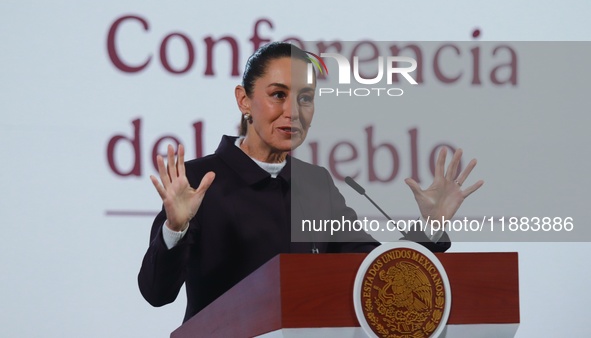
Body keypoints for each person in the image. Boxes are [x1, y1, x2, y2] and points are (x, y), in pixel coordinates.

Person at [138, 42, 483, 323]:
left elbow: (374, 273)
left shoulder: (315, 183)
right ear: (244, 100)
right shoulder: (199, 181)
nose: (293, 111)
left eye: (305, 98)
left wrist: (431, 225)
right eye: (278, 95)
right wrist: (176, 228)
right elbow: (157, 293)